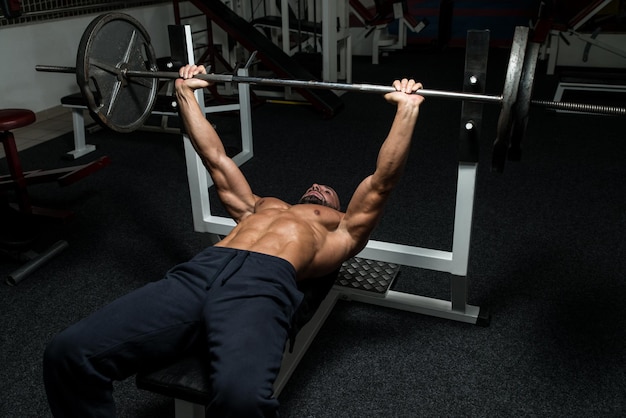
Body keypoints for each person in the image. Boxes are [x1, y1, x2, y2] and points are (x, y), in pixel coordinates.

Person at [43, 64, 425, 417]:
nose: (316, 187)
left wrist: (405, 111)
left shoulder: (343, 230)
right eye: (312, 187)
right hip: (198, 273)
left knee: (241, 399)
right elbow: (216, 158)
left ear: (339, 211)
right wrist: (185, 94)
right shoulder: (260, 207)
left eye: (326, 192)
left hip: (262, 286)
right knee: (69, 353)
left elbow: (380, 182)